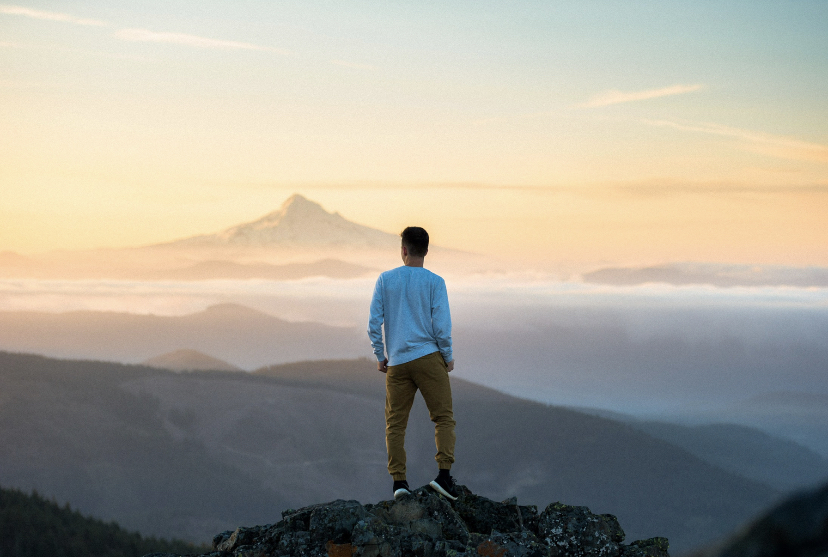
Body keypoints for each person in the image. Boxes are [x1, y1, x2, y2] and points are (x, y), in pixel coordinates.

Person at [367, 226, 458, 501]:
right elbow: (441, 327)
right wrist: (448, 356)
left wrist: (380, 355)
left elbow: (373, 323)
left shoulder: (386, 280)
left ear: (403, 249)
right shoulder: (435, 282)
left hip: (396, 362)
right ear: (426, 250)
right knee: (443, 418)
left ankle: (399, 483)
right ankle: (443, 476)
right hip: (429, 357)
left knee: (395, 424)